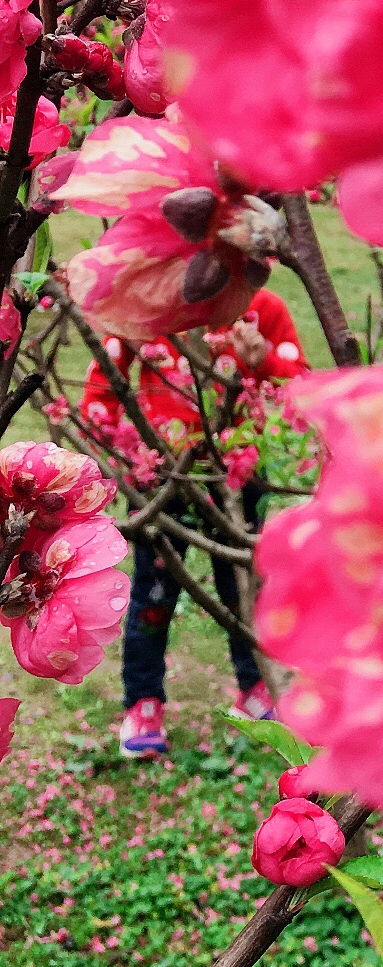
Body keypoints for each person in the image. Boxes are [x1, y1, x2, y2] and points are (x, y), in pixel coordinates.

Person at [79, 286, 308, 758]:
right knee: (153, 595)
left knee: (243, 588)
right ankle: (142, 700)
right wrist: (106, 444)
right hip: (164, 475)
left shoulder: (261, 308)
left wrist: (262, 358)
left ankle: (255, 685)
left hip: (238, 474)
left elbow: (300, 388)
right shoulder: (148, 302)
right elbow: (104, 381)